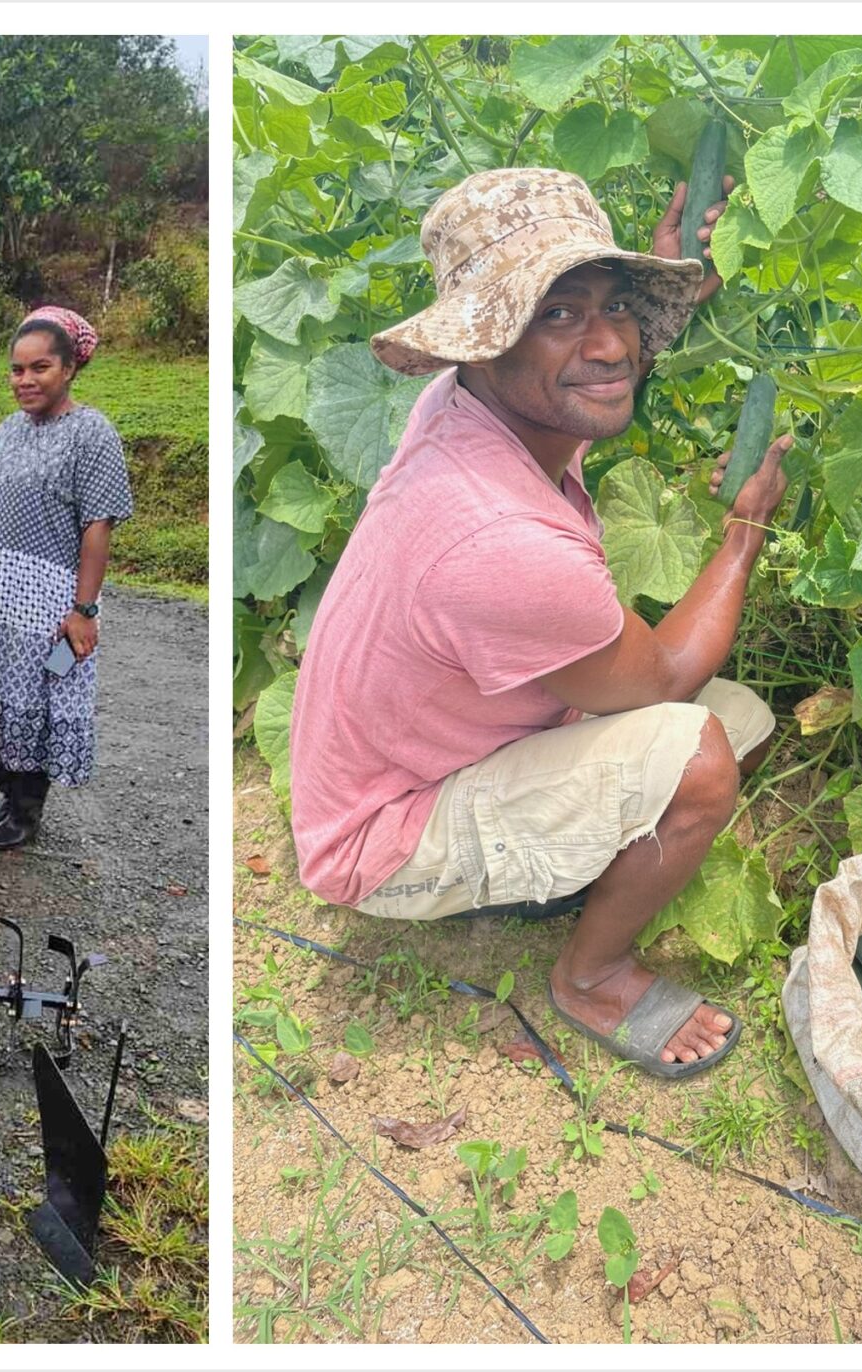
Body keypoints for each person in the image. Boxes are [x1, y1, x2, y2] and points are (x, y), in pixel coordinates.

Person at [289, 166, 787, 1079]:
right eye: (556, 314)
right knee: (702, 751)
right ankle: (591, 976)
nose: (607, 345)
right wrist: (744, 532)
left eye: (615, 307)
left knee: (744, 717)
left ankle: (572, 867)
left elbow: (591, 366)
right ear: (481, 342)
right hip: (383, 835)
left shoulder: (466, 408)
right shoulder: (498, 538)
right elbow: (667, 678)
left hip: (453, 745)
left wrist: (654, 291)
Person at [0, 306, 133, 852]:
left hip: (41, 597)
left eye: (40, 368)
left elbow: (97, 525)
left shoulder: (92, 433)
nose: (25, 380)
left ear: (69, 369)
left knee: (29, 703)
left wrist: (83, 611)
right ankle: (8, 799)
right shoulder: (9, 429)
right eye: (16, 370)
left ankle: (26, 813)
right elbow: (3, 492)